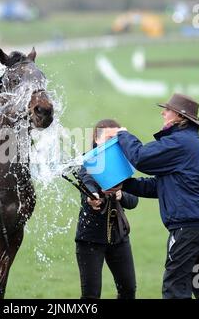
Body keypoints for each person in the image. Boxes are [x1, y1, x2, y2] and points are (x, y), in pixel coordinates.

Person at [113, 93, 199, 299]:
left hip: (188, 229)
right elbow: (162, 186)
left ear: (180, 117)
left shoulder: (179, 143)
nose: (163, 113)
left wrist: (123, 135)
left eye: (167, 110)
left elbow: (140, 157)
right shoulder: (189, 142)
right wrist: (127, 184)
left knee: (175, 287)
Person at [75, 119, 139, 299]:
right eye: (110, 137)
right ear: (97, 139)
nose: (114, 142)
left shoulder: (121, 162)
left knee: (128, 290)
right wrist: (93, 197)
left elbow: (133, 201)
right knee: (91, 296)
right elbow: (87, 183)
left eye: (117, 137)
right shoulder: (87, 162)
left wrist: (121, 195)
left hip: (119, 237)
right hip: (90, 239)